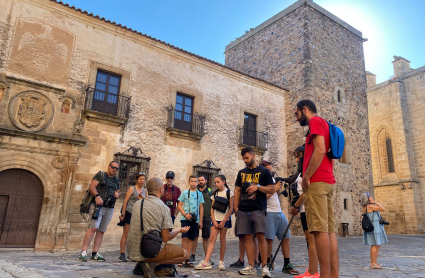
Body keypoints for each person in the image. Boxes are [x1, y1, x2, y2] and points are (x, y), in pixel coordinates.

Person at [294, 99, 339, 278]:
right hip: (327, 181)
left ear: (305, 109)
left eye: (297, 113)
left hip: (317, 183)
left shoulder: (315, 121)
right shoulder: (324, 123)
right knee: (328, 231)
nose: (296, 118)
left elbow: (320, 150)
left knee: (319, 231)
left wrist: (306, 177)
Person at [127, 178, 190, 277]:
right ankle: (153, 263)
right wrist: (178, 230)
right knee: (185, 254)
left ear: (147, 191)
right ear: (161, 190)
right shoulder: (163, 207)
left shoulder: (137, 204)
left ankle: (141, 264)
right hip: (148, 250)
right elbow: (166, 237)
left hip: (132, 251)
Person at [234, 147, 275, 277]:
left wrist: (257, 187)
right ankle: (251, 265)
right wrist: (236, 207)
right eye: (243, 159)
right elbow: (238, 190)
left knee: (261, 236)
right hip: (243, 209)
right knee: (247, 237)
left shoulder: (264, 172)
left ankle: (264, 267)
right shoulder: (241, 173)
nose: (245, 161)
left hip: (258, 209)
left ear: (253, 156)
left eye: (247, 157)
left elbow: (271, 189)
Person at [261, 161, 299, 275]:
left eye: (271, 169)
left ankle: (286, 264)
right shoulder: (261, 182)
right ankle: (266, 264)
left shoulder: (272, 180)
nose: (270, 172)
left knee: (285, 237)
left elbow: (274, 196)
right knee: (269, 240)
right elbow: (262, 199)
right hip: (269, 213)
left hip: (278, 212)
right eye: (268, 170)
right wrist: (274, 189)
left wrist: (277, 190)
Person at [78, 161, 120, 262]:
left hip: (109, 207)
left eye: (116, 168)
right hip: (98, 206)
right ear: (109, 166)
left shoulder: (116, 180)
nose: (114, 169)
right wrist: (97, 196)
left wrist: (117, 195)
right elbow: (92, 186)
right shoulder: (101, 175)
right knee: (93, 227)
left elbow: (118, 191)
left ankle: (95, 253)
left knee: (101, 230)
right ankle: (83, 252)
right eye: (113, 167)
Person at [290, 147, 320, 278]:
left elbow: (306, 191)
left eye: (299, 156)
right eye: (295, 156)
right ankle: (311, 270)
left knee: (312, 240)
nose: (297, 159)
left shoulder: (309, 171)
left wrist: (295, 206)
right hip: (303, 209)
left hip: (308, 207)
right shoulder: (302, 173)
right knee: (309, 239)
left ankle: (314, 272)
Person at [195, 175, 234, 271]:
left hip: (224, 220)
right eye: (215, 182)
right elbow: (212, 208)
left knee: (222, 240)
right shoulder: (214, 194)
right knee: (212, 239)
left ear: (223, 182)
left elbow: (231, 208)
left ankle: (221, 261)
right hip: (215, 220)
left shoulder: (229, 193)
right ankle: (206, 261)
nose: (216, 184)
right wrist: (214, 220)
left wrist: (224, 220)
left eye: (218, 182)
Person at [118, 173, 147, 262]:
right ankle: (122, 254)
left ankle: (133, 255)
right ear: (136, 180)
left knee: (136, 234)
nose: (142, 180)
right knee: (126, 234)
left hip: (138, 214)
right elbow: (125, 201)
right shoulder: (132, 189)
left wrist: (142, 198)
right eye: (140, 179)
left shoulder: (145, 191)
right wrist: (123, 213)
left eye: (143, 179)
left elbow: (145, 202)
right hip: (129, 212)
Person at [177, 175, 204, 268]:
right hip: (185, 219)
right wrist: (185, 214)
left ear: (197, 183)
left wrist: (200, 221)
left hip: (194, 220)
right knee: (184, 238)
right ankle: (183, 258)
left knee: (191, 239)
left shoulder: (199, 194)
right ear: (189, 182)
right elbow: (179, 205)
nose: (193, 183)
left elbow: (201, 207)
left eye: (195, 181)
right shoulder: (184, 193)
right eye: (192, 181)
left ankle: (188, 258)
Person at [361, 192, 388, 269]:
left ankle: (375, 262)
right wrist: (375, 202)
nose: (372, 197)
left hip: (372, 226)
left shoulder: (365, 207)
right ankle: (373, 263)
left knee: (377, 244)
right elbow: (383, 209)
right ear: (368, 198)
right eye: (371, 197)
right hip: (374, 227)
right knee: (375, 245)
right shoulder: (370, 206)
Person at [191, 175, 212, 264]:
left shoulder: (210, 191)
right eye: (199, 180)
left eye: (202, 180)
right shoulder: (195, 192)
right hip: (196, 217)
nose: (200, 182)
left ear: (206, 181)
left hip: (207, 216)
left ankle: (207, 257)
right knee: (195, 236)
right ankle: (192, 255)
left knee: (205, 237)